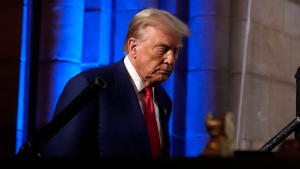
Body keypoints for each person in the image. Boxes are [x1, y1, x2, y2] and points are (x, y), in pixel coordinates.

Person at [40, 8, 191, 158]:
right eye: (162, 49)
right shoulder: (90, 87)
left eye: (175, 51)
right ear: (133, 47)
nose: (170, 60)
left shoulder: (164, 100)